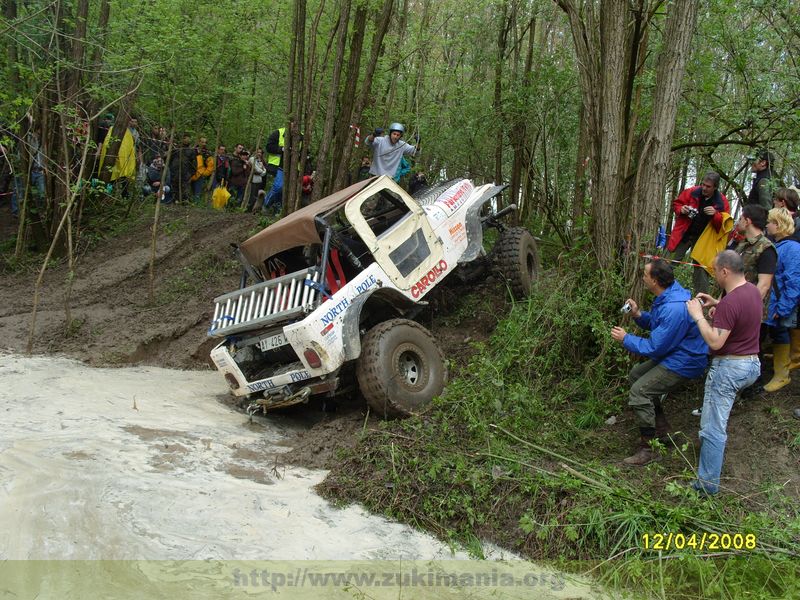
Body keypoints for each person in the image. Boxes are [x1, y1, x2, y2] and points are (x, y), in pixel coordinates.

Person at [611, 259, 709, 466]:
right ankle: (661, 430)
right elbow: (660, 325)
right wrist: (638, 314)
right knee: (636, 375)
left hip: (686, 360)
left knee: (640, 391)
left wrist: (626, 339)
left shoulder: (674, 308)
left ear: (654, 280)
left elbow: (656, 347)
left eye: (645, 275)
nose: (643, 278)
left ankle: (648, 448)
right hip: (677, 351)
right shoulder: (669, 295)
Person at [687, 251, 763, 495]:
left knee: (712, 427)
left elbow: (715, 343)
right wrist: (717, 304)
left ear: (725, 271)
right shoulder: (751, 290)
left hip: (730, 368)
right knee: (717, 420)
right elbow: (738, 311)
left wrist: (699, 317)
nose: (714, 275)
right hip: (752, 364)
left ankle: (706, 486)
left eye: (715, 271)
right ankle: (708, 478)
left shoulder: (731, 301)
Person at [667, 172, 730, 294]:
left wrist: (715, 215)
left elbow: (724, 226)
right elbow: (677, 204)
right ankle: (659, 288)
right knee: (670, 262)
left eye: (708, 186)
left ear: (715, 187)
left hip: (704, 240)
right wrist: (682, 209)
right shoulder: (692, 192)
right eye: (703, 185)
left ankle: (702, 299)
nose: (704, 188)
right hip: (684, 234)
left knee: (700, 269)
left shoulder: (721, 202)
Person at [761, 208, 800, 392]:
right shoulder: (777, 245)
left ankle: (782, 375)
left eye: (770, 222)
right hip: (773, 300)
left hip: (782, 301)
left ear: (778, 225)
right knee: (777, 332)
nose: (767, 225)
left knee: (781, 332)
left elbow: (794, 281)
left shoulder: (792, 248)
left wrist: (784, 307)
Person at [729, 205, 776, 300]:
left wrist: (746, 308)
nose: (737, 222)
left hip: (747, 308)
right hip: (731, 303)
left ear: (747, 222)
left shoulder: (766, 248)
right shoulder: (742, 245)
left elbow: (763, 286)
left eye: (740, 219)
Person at [168, 134, 197, 203]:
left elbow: (194, 164)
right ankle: (175, 199)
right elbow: (170, 160)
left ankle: (185, 200)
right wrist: (171, 169)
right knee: (175, 186)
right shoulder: (175, 149)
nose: (186, 140)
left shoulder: (191, 151)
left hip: (186, 173)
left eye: (188, 138)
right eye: (184, 138)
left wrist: (191, 173)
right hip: (175, 172)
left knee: (185, 187)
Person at [263, 127, 286, 213]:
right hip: (275, 165)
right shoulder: (278, 132)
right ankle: (266, 204)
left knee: (283, 189)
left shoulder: (301, 136)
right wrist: (281, 149)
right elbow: (269, 147)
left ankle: (277, 208)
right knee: (278, 187)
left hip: (290, 167)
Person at [191, 137, 214, 203]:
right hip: (190, 174)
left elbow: (211, 165)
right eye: (202, 142)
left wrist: (204, 173)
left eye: (205, 142)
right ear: (198, 142)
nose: (204, 144)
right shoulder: (192, 150)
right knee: (189, 192)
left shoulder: (207, 153)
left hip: (199, 175)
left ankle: (196, 206)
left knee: (197, 193)